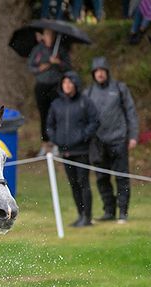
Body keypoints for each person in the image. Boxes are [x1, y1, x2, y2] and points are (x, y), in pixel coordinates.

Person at [83, 57, 139, 224]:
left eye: (102, 70)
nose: (100, 74)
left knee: (121, 177)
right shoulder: (88, 93)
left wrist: (133, 136)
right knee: (101, 178)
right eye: (96, 71)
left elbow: (131, 113)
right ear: (93, 74)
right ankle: (109, 211)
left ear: (107, 72)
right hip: (98, 143)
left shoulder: (120, 89)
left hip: (118, 140)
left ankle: (123, 212)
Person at [47, 71, 100, 227]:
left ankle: (87, 217)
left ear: (75, 84)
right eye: (64, 83)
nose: (67, 86)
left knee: (83, 183)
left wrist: (83, 136)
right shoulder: (56, 104)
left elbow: (94, 122)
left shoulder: (85, 102)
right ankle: (80, 215)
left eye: (70, 83)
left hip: (81, 151)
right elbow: (50, 125)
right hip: (65, 151)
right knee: (73, 184)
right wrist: (56, 139)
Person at [27, 29, 72, 148]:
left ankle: (57, 141)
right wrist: (41, 68)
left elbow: (68, 67)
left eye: (52, 35)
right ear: (43, 36)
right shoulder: (38, 50)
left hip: (56, 86)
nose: (50, 37)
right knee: (44, 114)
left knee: (57, 113)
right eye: (47, 34)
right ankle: (45, 142)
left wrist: (58, 62)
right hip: (41, 85)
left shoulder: (60, 50)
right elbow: (31, 66)